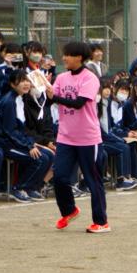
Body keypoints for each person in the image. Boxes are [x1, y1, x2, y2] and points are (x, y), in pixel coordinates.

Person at [46, 41, 110, 233]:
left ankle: (101, 222)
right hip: (66, 137)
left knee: (93, 180)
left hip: (88, 138)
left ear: (79, 57)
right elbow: (51, 100)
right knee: (59, 177)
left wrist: (54, 97)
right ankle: (69, 210)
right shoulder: (61, 77)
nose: (64, 58)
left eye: (68, 55)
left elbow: (79, 103)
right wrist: (44, 89)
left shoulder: (90, 78)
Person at [0, 70, 55, 203]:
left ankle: (31, 187)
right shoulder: (9, 102)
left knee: (49, 155)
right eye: (21, 81)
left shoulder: (21, 98)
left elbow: (21, 128)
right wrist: (28, 145)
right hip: (6, 143)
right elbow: (10, 131)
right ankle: (19, 188)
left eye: (27, 81)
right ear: (12, 84)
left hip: (18, 141)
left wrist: (31, 142)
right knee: (40, 158)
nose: (26, 84)